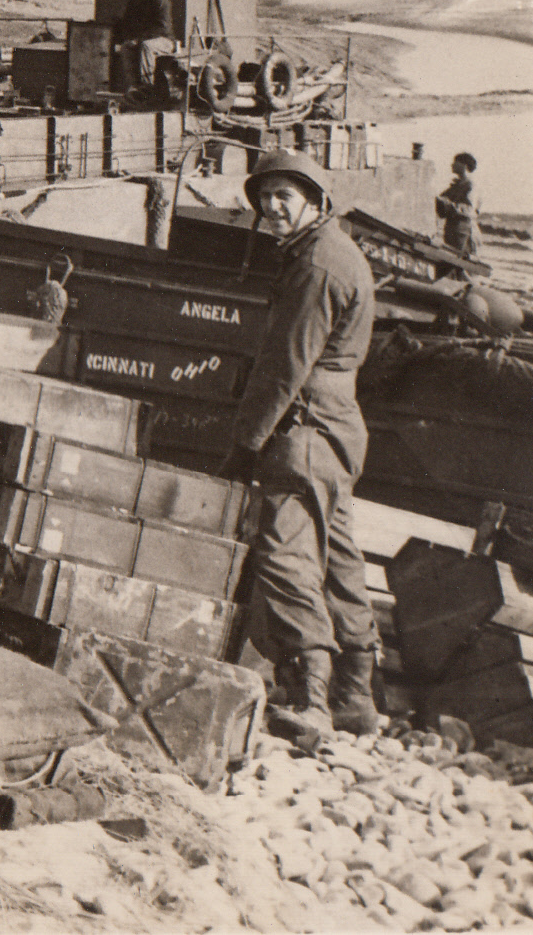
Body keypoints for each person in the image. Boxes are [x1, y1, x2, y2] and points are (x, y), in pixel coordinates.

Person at [219, 149, 379, 748]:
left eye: (285, 195)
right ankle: (356, 697)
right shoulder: (330, 253)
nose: (271, 207)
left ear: (316, 201)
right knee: (338, 558)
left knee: (285, 555)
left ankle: (312, 701)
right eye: (265, 197)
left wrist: (246, 442)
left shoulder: (317, 266)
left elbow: (285, 367)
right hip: (336, 430)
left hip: (306, 428)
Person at [116, 0, 175, 93]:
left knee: (147, 46)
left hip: (164, 41)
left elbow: (161, 28)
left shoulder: (160, 1)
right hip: (142, 39)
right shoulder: (134, 1)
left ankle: (147, 86)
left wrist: (139, 39)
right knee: (126, 47)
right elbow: (128, 23)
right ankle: (134, 87)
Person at [435, 153, 481, 262]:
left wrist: (446, 203)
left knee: (460, 262)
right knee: (450, 260)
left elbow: (469, 209)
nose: (452, 164)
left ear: (464, 166)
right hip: (453, 230)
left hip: (464, 232)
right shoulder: (457, 185)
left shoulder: (470, 185)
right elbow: (441, 203)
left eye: (455, 162)